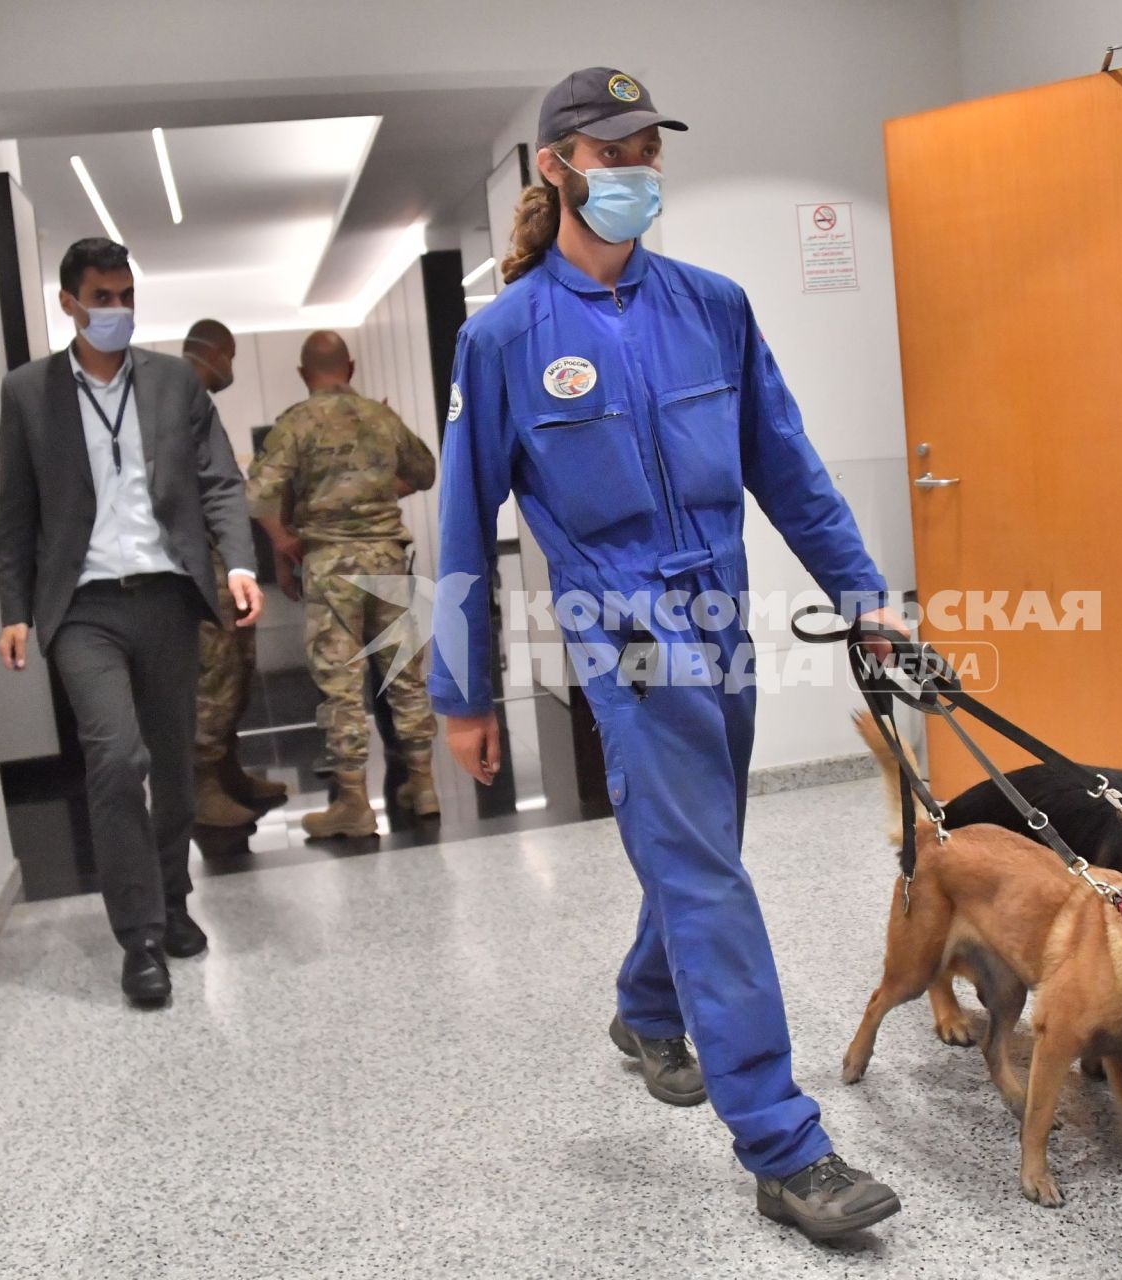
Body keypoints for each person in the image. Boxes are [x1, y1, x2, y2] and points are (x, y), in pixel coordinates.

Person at [428, 68, 907, 1241]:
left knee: (702, 839)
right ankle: (784, 1147)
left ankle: (648, 1006)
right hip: (625, 636)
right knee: (704, 869)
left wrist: (864, 594)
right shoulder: (502, 338)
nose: (635, 169)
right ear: (557, 167)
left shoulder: (715, 305)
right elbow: (460, 523)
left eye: (647, 148)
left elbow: (784, 464)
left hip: (722, 620)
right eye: (608, 151)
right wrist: (463, 687)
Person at [0, 238, 263, 1006]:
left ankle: (174, 897)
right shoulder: (27, 392)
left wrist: (237, 564)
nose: (115, 311)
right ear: (68, 303)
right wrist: (16, 609)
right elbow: (14, 512)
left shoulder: (175, 383)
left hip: (168, 597)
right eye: (100, 298)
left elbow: (220, 482)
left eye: (125, 297)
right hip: (83, 608)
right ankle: (139, 937)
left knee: (176, 771)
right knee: (115, 760)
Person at [248, 330, 439, 838]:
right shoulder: (382, 417)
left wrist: (284, 540)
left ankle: (354, 802)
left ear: (302, 374)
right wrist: (376, 493)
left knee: (342, 685)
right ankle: (422, 786)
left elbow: (258, 493)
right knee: (404, 675)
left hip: (332, 568)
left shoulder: (296, 423)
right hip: (387, 559)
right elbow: (424, 472)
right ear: (350, 367)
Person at [181, 318, 288, 828]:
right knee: (216, 674)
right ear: (215, 353)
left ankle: (227, 771)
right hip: (196, 565)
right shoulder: (177, 398)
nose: (231, 369)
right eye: (231, 357)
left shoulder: (197, 402)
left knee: (237, 669)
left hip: (220, 563)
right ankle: (202, 785)